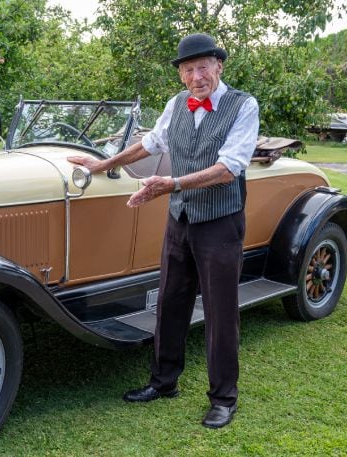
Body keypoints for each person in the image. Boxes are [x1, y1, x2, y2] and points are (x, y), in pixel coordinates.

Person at [68, 33, 259, 429]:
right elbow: (149, 145)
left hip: (220, 221)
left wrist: (170, 185)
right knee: (170, 301)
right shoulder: (176, 105)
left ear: (218, 66)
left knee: (221, 313)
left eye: (203, 66)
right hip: (181, 220)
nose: (196, 75)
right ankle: (163, 381)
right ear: (181, 75)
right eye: (188, 69)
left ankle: (224, 398)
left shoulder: (243, 105)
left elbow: (229, 168)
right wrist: (100, 165)